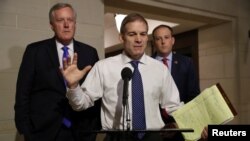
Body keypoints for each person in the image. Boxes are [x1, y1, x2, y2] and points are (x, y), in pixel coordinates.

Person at [61, 13, 184, 141]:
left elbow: (174, 106)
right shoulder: (103, 67)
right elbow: (81, 104)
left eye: (143, 34)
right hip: (116, 137)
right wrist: (74, 86)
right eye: (132, 34)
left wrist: (198, 121)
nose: (138, 39)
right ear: (121, 37)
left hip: (153, 137)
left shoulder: (160, 69)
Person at [14, 3, 101, 141]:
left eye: (70, 20)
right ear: (51, 25)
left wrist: (93, 128)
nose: (66, 25)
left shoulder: (90, 52)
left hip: (81, 131)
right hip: (43, 131)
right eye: (60, 20)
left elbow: (97, 95)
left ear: (75, 23)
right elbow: (23, 93)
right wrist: (25, 130)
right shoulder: (35, 51)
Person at [152, 24, 207, 141]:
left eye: (166, 37)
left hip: (180, 126)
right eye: (158, 38)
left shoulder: (186, 62)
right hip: (154, 128)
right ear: (154, 42)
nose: (163, 42)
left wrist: (195, 122)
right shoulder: (146, 64)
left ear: (172, 40)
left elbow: (193, 96)